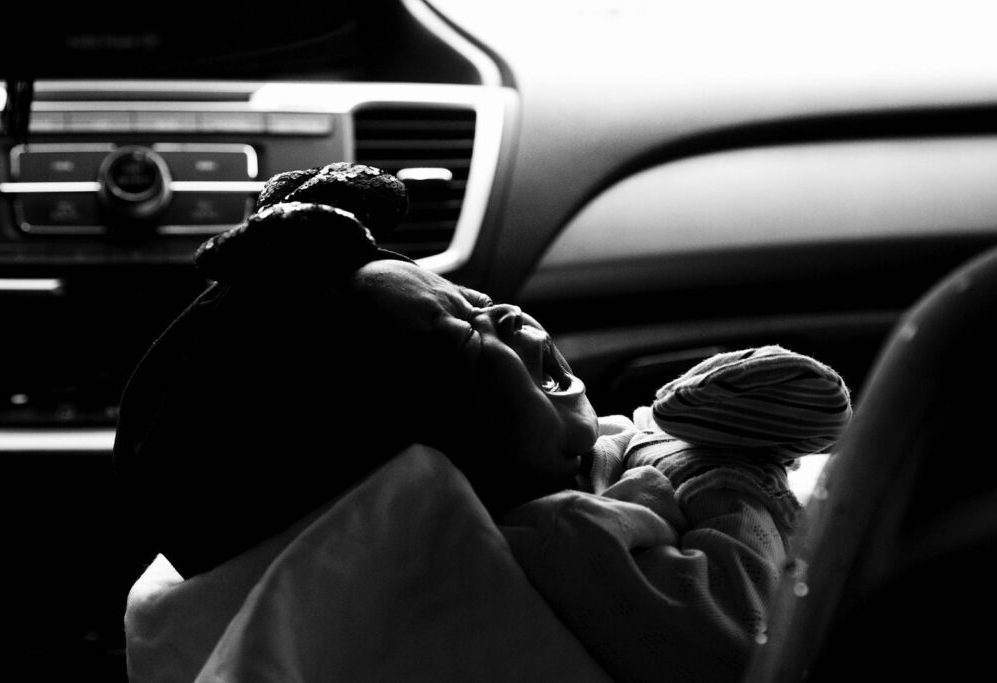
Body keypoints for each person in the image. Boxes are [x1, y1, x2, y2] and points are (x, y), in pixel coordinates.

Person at [113, 163, 850, 681]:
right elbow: (735, 642)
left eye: (468, 295)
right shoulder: (566, 539)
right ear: (424, 468)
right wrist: (732, 487)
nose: (501, 312)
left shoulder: (564, 465)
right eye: (466, 335)